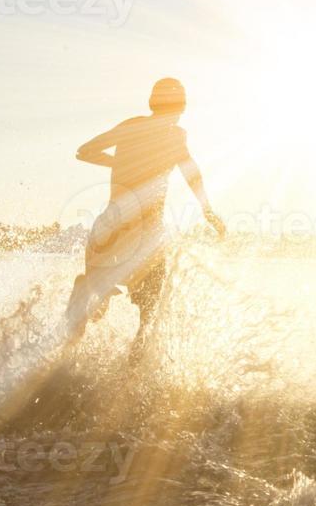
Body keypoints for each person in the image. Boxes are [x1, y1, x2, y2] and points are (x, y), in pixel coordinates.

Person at [66, 78, 225, 344]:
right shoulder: (176, 134)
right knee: (147, 319)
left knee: (94, 310)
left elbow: (84, 152)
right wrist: (207, 210)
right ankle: (132, 379)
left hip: (109, 225)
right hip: (145, 231)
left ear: (152, 101)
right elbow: (191, 173)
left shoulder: (131, 126)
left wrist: (122, 163)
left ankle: (58, 372)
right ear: (182, 106)